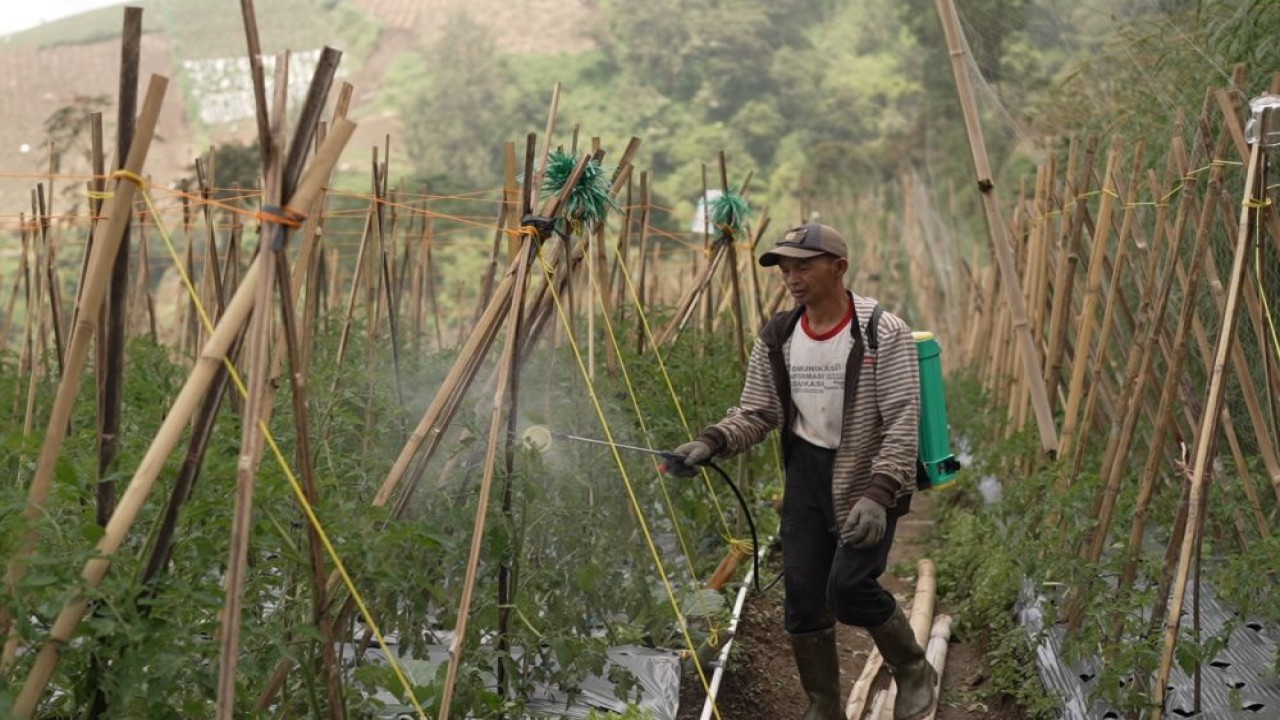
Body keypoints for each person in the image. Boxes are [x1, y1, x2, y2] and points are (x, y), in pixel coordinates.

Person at [668, 223, 936, 720]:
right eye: (785, 268)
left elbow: (903, 419)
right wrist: (711, 442)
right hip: (808, 472)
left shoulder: (881, 331)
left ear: (839, 267)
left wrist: (879, 495)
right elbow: (759, 411)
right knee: (803, 596)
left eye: (803, 265)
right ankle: (823, 704)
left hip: (868, 471)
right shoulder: (781, 334)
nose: (792, 277)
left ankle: (913, 667)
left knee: (851, 589)